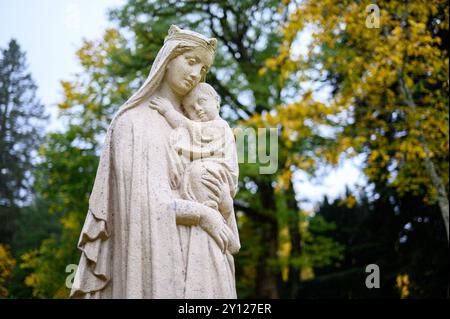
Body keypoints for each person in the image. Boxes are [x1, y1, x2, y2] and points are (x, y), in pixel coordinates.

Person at [70, 25, 239, 298]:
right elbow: (147, 203)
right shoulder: (134, 124)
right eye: (191, 61)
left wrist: (225, 207)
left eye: (203, 69)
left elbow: (222, 189)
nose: (197, 74)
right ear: (169, 58)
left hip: (210, 259)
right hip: (162, 270)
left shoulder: (201, 128)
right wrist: (203, 214)